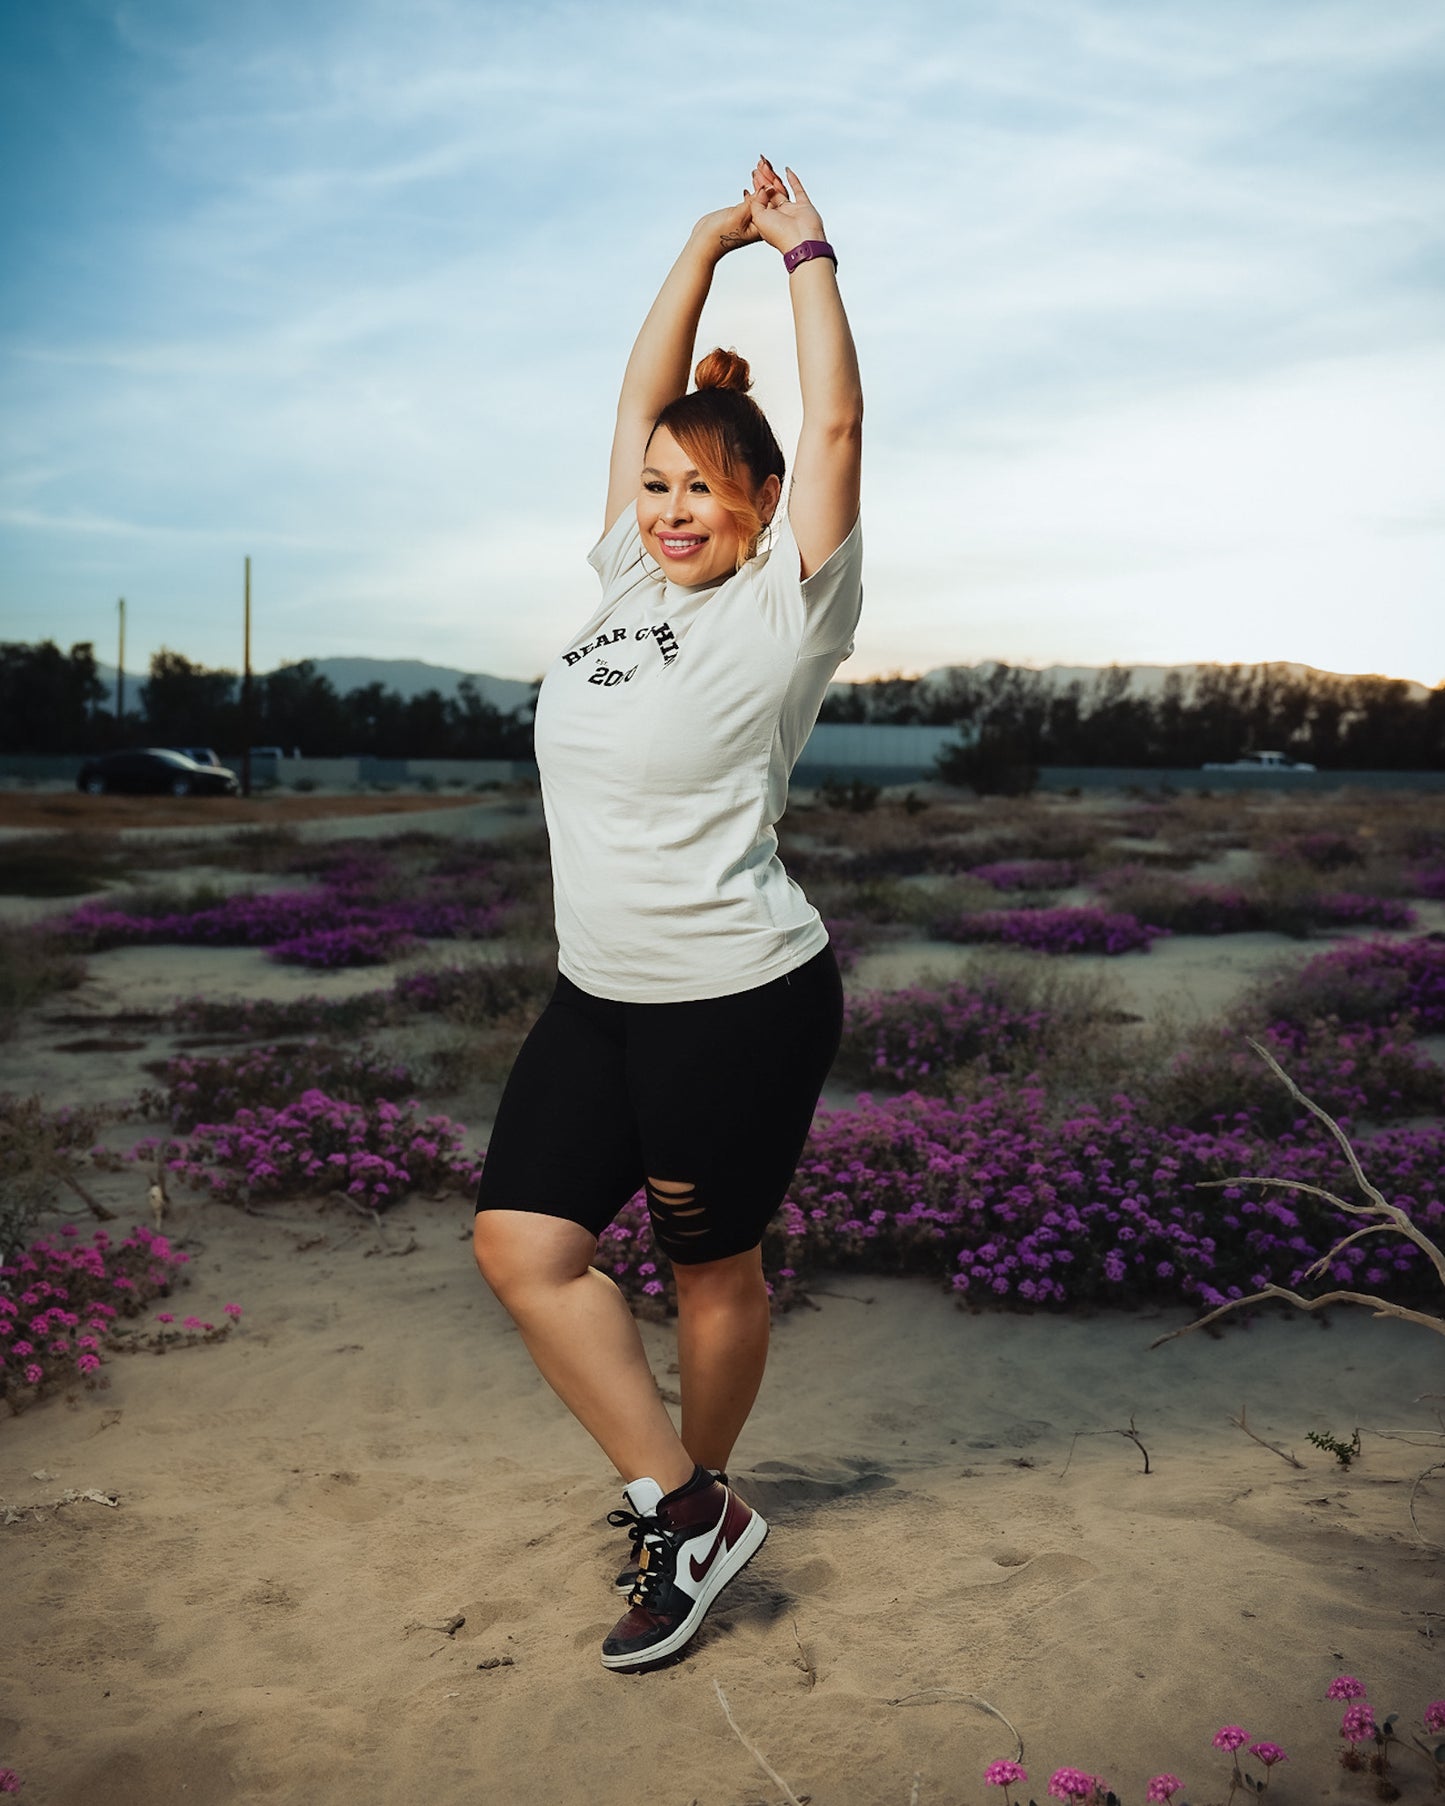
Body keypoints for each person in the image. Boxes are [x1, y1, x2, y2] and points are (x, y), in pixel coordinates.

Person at [472, 154, 863, 1672]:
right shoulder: (618, 590)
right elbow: (633, 408)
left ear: (764, 507)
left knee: (711, 1271)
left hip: (738, 998)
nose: (671, 508)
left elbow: (831, 418)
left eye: (705, 487)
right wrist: (700, 243)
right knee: (521, 1245)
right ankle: (689, 1498)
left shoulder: (788, 605)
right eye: (656, 484)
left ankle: (684, 1521)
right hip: (599, 991)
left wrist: (802, 251)